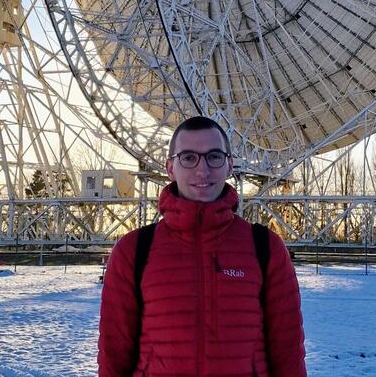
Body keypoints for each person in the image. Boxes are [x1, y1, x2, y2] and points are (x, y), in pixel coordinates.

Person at [98, 115, 306, 377]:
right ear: (170, 167)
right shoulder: (133, 250)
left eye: (214, 157)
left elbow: (288, 353)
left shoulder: (265, 248)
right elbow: (113, 353)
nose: (202, 170)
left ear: (229, 165)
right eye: (188, 157)